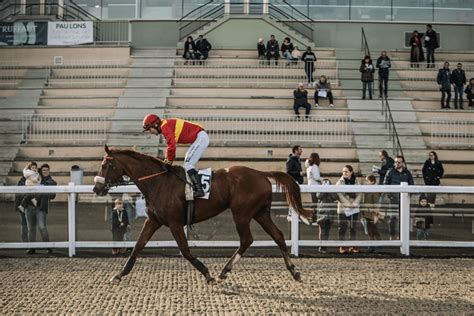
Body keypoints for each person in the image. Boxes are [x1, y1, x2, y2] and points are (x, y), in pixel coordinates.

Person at [142, 114, 209, 198]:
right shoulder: (165, 125)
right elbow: (170, 146)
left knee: (188, 164)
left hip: (201, 138)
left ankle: (199, 190)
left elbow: (171, 146)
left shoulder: (165, 127)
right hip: (200, 137)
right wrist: (167, 160)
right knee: (187, 163)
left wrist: (168, 161)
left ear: (155, 125)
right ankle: (197, 188)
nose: (150, 132)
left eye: (149, 129)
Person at [383, 155, 414, 240]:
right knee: (392, 218)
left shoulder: (407, 172)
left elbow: (411, 185)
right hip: (393, 199)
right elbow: (385, 184)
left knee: (403, 218)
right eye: (395, 162)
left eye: (399, 162)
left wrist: (408, 197)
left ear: (402, 163)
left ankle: (401, 236)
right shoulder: (390, 171)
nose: (397, 163)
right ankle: (392, 235)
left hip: (404, 199)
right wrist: (390, 195)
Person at [336, 165, 362, 254]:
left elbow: (359, 194)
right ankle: (342, 246)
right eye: (343, 171)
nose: (344, 173)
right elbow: (339, 195)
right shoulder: (339, 182)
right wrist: (348, 204)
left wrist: (354, 204)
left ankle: (353, 245)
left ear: (351, 172)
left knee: (353, 227)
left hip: (354, 208)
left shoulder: (356, 181)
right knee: (342, 227)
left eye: (346, 171)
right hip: (343, 209)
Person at [36, 163, 56, 254]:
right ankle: (30, 247)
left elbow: (52, 196)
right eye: (44, 170)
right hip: (31, 206)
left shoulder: (52, 182)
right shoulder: (36, 179)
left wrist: (43, 189)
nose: (46, 171)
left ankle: (48, 246)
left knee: (42, 226)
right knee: (30, 228)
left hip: (41, 207)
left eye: (47, 170)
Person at [316, 179, 338, 253]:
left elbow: (334, 197)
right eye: (324, 182)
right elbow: (319, 196)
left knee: (327, 231)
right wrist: (324, 189)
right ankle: (321, 246)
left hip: (330, 213)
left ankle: (325, 246)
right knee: (322, 230)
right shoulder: (319, 190)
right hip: (322, 212)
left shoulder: (332, 190)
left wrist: (330, 189)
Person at [363, 175, 382, 252]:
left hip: (372, 214)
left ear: (373, 182)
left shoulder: (375, 191)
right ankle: (372, 244)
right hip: (367, 213)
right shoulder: (367, 190)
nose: (366, 182)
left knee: (374, 230)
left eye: (367, 181)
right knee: (370, 230)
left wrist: (376, 215)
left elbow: (376, 204)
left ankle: (378, 244)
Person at [305, 152, 321, 220]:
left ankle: (313, 217)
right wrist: (322, 180)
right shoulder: (314, 167)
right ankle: (315, 218)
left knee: (314, 202)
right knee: (316, 203)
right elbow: (316, 177)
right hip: (315, 186)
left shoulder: (309, 167)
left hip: (311, 186)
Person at [14, 174, 28, 244]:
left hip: (29, 206)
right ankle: (25, 242)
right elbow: (17, 195)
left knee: (29, 225)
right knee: (24, 224)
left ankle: (28, 242)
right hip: (23, 206)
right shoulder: (21, 182)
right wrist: (18, 206)